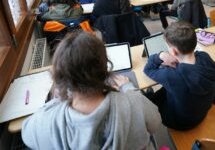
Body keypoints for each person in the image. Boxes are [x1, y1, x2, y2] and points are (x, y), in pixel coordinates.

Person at [22, 32, 161, 149]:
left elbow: (26, 133)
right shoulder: (134, 101)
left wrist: (58, 99)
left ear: (60, 75)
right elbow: (155, 124)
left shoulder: (47, 121)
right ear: (104, 67)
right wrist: (128, 88)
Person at [144, 21, 215, 130]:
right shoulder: (205, 57)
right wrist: (180, 60)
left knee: (152, 99)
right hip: (200, 114)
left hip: (180, 122)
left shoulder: (171, 76)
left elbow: (148, 69)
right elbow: (194, 61)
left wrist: (160, 55)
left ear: (173, 51)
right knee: (166, 89)